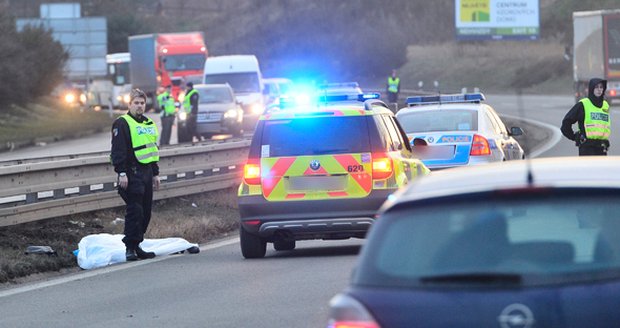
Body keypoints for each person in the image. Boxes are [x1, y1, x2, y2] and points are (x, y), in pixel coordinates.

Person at [110, 88, 161, 261]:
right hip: (131, 172)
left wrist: (155, 173)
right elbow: (118, 150)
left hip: (146, 172)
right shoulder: (122, 123)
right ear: (129, 104)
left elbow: (152, 151)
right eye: (136, 103)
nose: (139, 106)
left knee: (146, 211)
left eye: (142, 103)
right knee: (135, 211)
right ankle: (129, 248)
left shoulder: (148, 124)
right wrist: (122, 172)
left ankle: (138, 244)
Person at [561, 78, 610, 156]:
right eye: (596, 87)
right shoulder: (583, 104)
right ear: (591, 88)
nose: (599, 89)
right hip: (587, 148)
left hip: (601, 147)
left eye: (601, 87)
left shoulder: (605, 105)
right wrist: (574, 137)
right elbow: (566, 123)